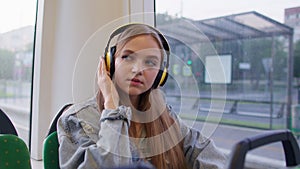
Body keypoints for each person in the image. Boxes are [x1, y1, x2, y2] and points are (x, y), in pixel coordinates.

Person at [57, 23, 226, 169]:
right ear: (109, 63)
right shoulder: (78, 119)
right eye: (128, 57)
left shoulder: (165, 117)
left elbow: (210, 156)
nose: (138, 70)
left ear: (160, 75)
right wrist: (112, 108)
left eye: (150, 62)